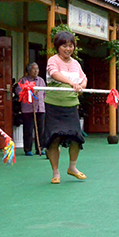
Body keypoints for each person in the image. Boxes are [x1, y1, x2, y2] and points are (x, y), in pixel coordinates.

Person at [42, 31, 87, 184]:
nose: (68, 49)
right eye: (64, 46)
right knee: (54, 139)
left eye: (71, 46)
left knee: (76, 137)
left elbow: (84, 78)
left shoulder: (75, 63)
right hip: (54, 106)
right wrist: (71, 83)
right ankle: (55, 173)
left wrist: (81, 86)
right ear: (57, 47)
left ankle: (72, 167)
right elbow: (54, 74)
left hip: (71, 105)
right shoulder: (52, 60)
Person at [15, 62, 46, 156]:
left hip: (40, 108)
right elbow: (19, 93)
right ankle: (28, 149)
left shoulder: (41, 80)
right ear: (28, 70)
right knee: (28, 129)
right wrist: (31, 93)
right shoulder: (23, 80)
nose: (36, 71)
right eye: (34, 69)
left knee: (41, 129)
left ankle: (40, 148)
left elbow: (44, 94)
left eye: (37, 69)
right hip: (28, 109)